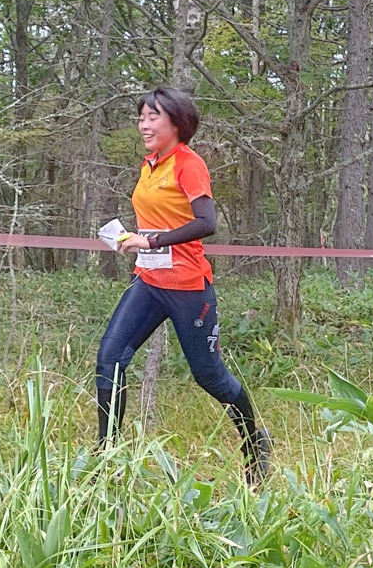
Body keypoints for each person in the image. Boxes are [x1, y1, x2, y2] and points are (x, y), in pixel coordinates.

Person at [96, 87, 272, 486]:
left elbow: (207, 223)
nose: (143, 124)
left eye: (152, 117)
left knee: (209, 376)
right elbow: (159, 220)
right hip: (149, 282)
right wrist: (131, 239)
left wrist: (152, 241)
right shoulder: (150, 165)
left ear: (176, 122)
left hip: (188, 288)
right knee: (110, 359)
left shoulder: (188, 164)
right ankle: (106, 462)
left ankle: (254, 444)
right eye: (140, 117)